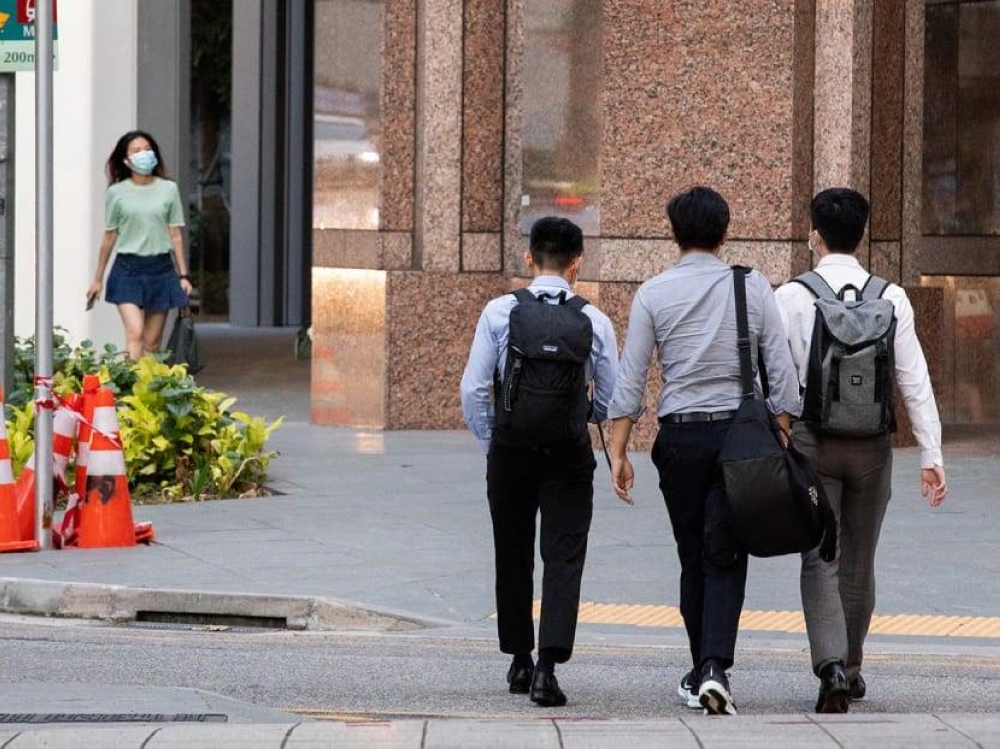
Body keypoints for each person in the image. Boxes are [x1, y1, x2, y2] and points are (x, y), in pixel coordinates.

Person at [606, 187, 800, 716]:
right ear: (724, 232)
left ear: (674, 233)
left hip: (681, 439)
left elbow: (631, 378)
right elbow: (780, 372)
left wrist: (619, 452)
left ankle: (702, 670)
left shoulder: (653, 293)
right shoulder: (752, 285)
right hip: (740, 439)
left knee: (693, 554)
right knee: (726, 553)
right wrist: (781, 434)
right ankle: (714, 667)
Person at [774, 188, 947, 713]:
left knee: (820, 555)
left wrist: (779, 439)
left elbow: (776, 382)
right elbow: (913, 380)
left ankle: (828, 667)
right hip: (873, 446)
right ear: (864, 234)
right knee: (860, 559)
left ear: (815, 236)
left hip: (812, 440)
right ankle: (850, 667)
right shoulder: (890, 297)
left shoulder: (791, 296)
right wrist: (931, 455)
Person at [460, 217, 618, 707]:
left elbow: (473, 390)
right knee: (563, 556)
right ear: (577, 264)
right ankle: (548, 667)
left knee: (513, 552)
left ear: (529, 258)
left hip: (511, 452)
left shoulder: (499, 311)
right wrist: (580, 418)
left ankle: (519, 660)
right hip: (569, 455)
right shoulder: (594, 320)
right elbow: (610, 394)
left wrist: (494, 441)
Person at [87, 131, 194, 361]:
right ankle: (130, 390)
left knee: (152, 342)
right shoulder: (116, 193)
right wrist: (97, 279)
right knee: (134, 332)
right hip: (127, 269)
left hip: (161, 269)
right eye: (136, 151)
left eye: (147, 149)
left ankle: (145, 393)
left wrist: (184, 275)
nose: (144, 154)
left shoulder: (168, 189)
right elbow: (109, 237)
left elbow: (175, 234)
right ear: (126, 161)